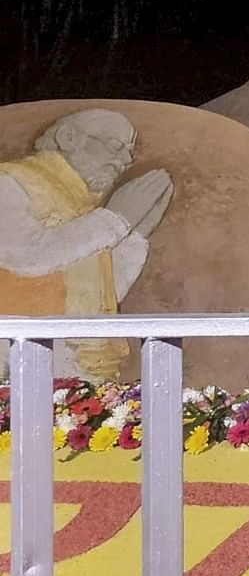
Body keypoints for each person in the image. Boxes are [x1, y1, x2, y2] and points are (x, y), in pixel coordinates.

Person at [0, 108, 172, 379]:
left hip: (77, 362)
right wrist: (115, 219)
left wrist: (135, 238)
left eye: (129, 151)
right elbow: (26, 256)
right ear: (69, 138)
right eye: (115, 146)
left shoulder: (81, 204)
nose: (126, 160)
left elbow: (100, 293)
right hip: (17, 352)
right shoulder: (10, 182)